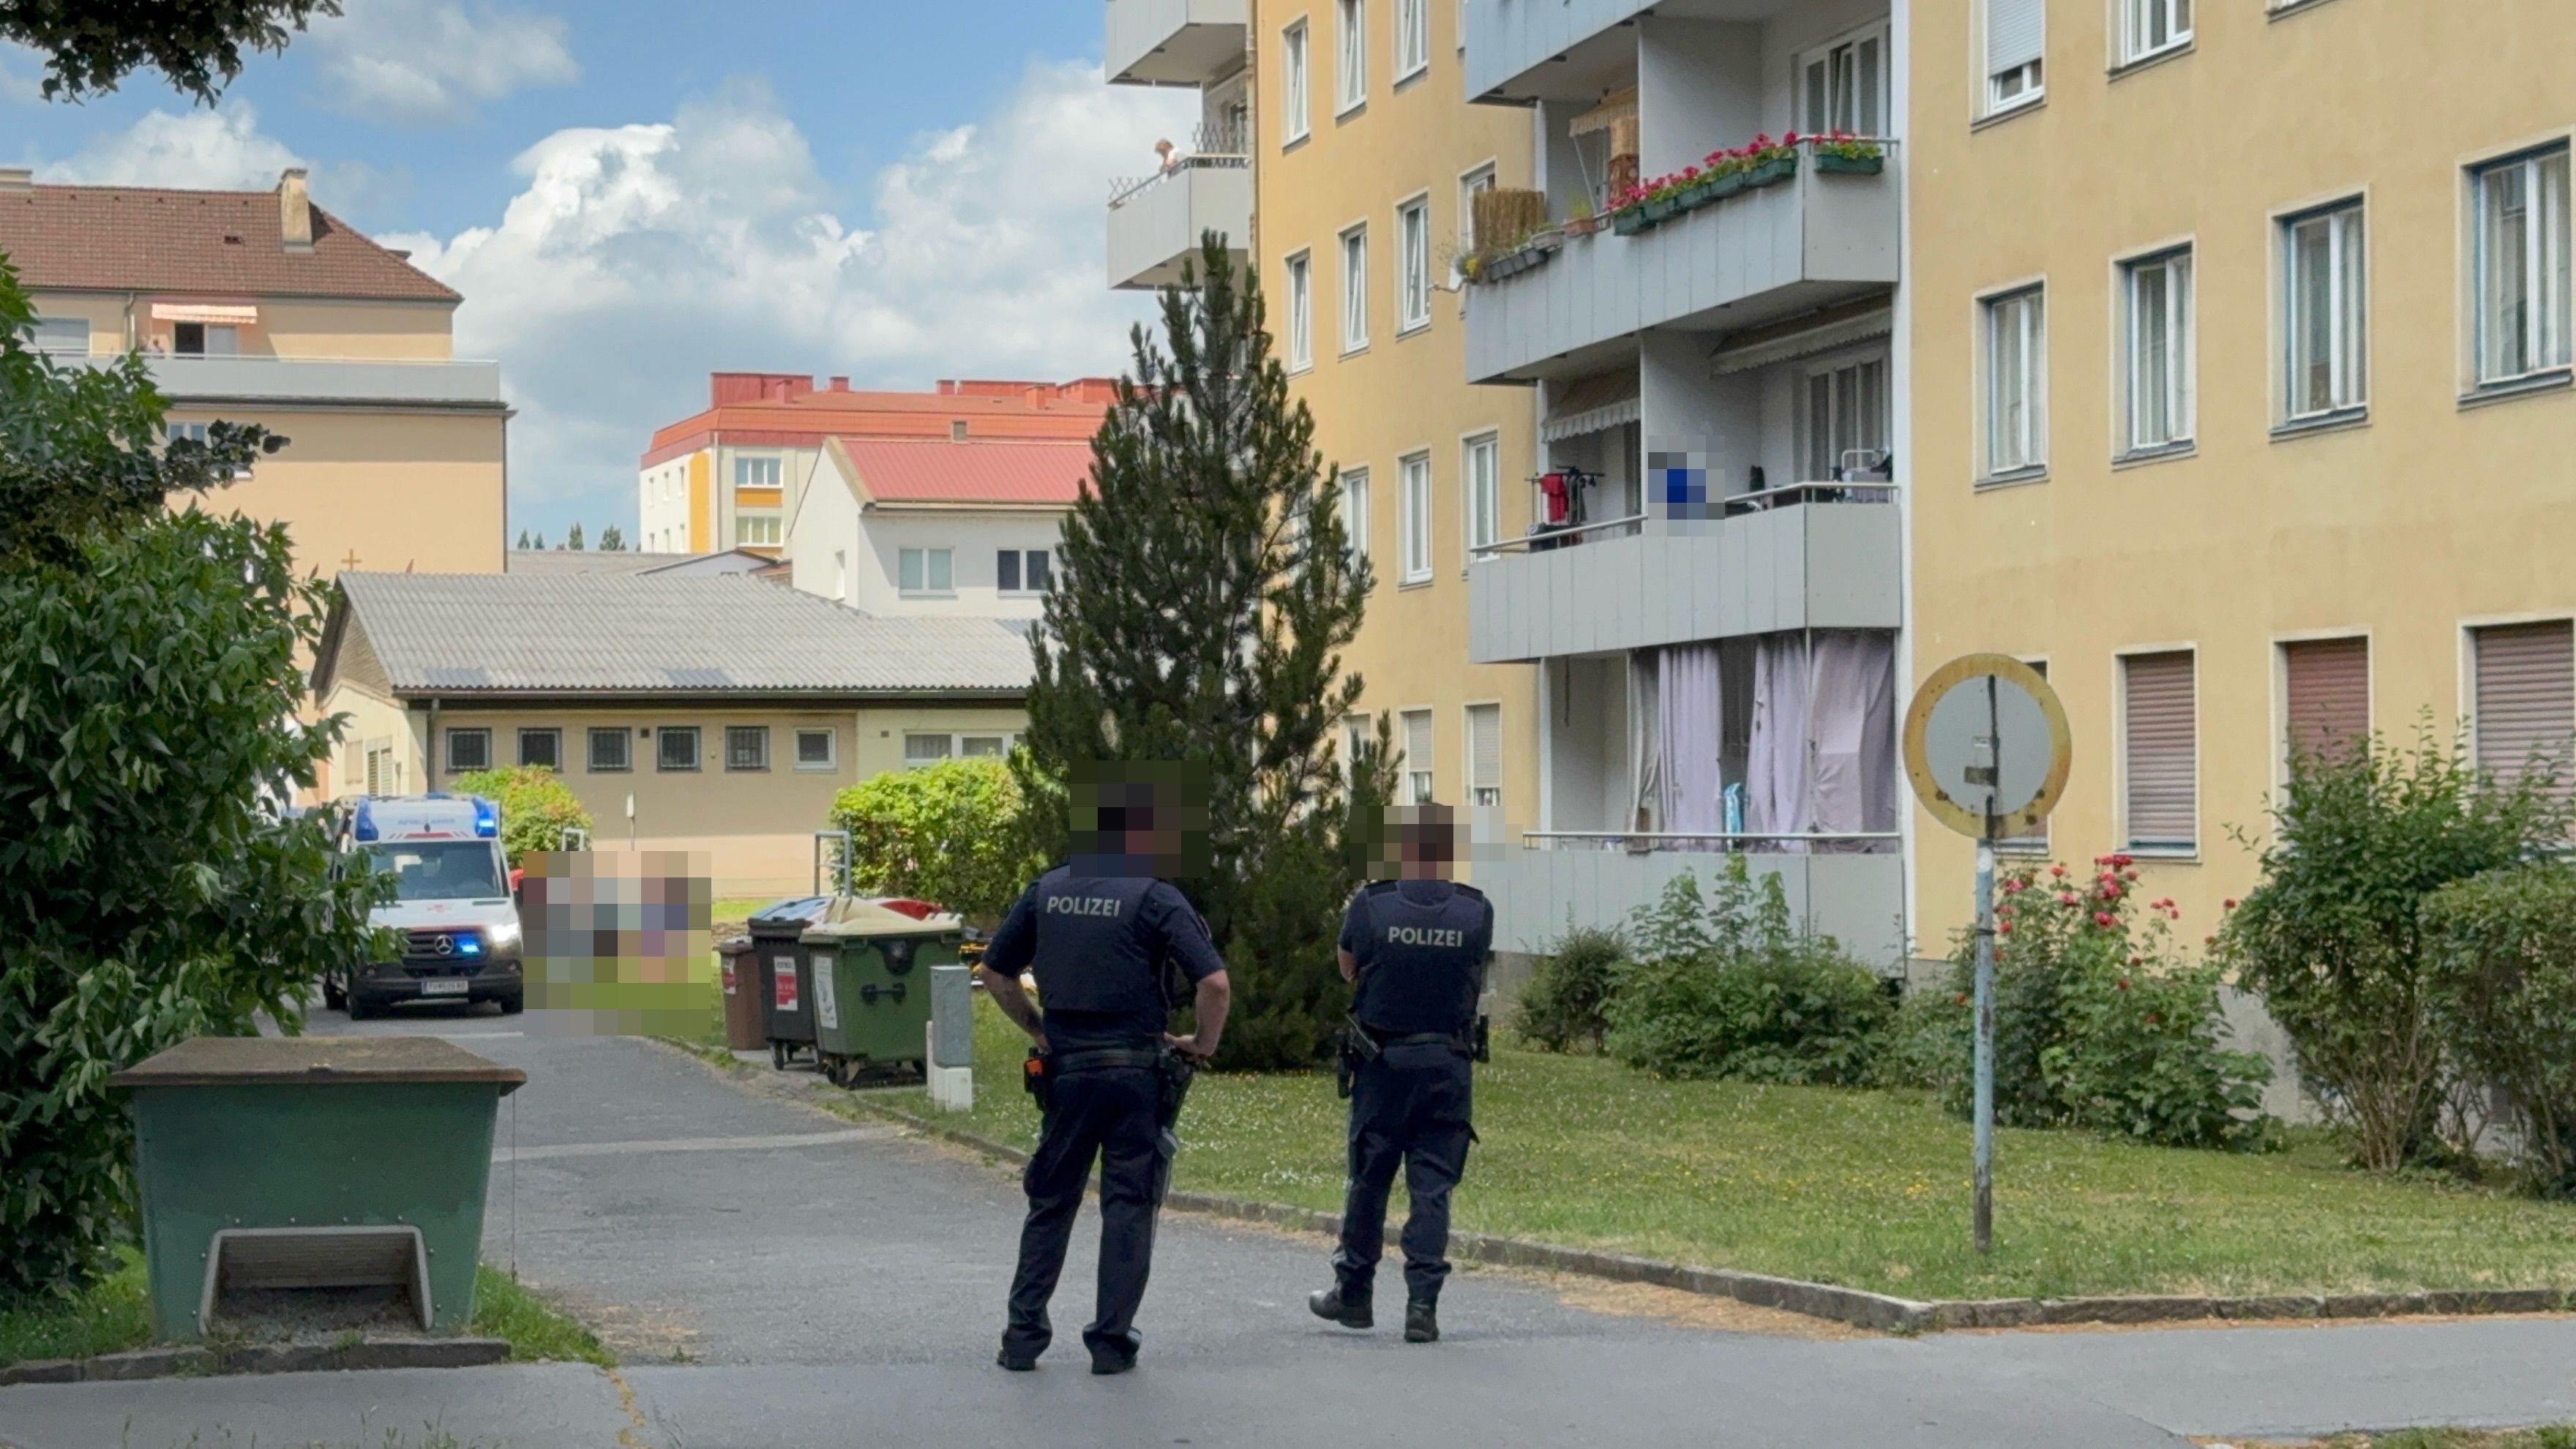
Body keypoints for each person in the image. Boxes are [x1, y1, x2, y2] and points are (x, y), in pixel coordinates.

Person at [978, 768, 1229, 1376]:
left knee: (1051, 1200)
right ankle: (1111, 1343)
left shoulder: (1047, 890)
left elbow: (994, 972)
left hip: (1067, 1069)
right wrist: (1202, 1043)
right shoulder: (1156, 896)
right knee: (1128, 1204)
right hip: (1135, 1072)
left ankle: (1022, 1336)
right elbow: (1214, 983)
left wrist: (1039, 1030)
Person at [1310, 803, 1492, 1345]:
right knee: (1432, 1185)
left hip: (1383, 1063)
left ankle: (1355, 1294)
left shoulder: (1371, 905)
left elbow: (1347, 968)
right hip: (1447, 1064)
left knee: (1369, 1178)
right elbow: (1474, 975)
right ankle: (1422, 1306)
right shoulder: (1475, 910)